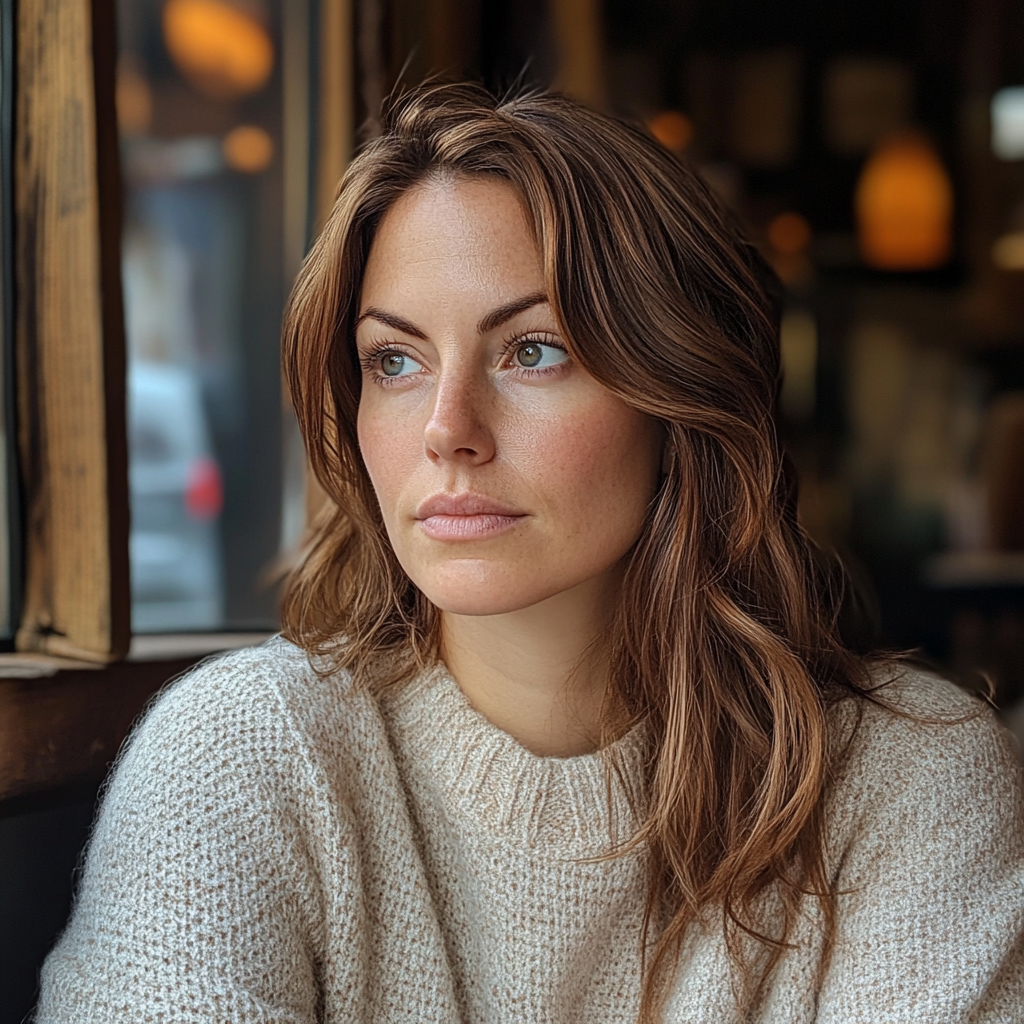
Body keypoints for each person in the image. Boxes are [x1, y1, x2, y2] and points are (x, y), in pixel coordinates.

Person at [38, 82, 1024, 1023]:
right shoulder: (244, 755)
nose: (446, 428)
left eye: (533, 350)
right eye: (395, 360)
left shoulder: (906, 786)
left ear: (679, 392)